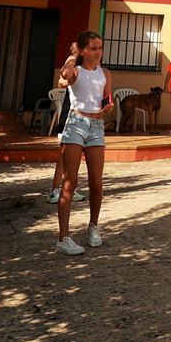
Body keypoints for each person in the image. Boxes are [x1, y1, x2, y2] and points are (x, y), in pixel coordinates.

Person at [54, 31, 113, 255]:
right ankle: (63, 237)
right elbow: (65, 73)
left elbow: (107, 96)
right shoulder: (76, 72)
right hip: (76, 124)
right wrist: (73, 55)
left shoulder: (105, 73)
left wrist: (108, 105)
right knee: (70, 182)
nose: (99, 52)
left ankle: (93, 227)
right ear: (84, 50)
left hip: (97, 127)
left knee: (97, 183)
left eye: (100, 48)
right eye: (94, 48)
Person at [47, 50, 86, 205]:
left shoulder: (88, 71)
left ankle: (70, 188)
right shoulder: (72, 67)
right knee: (63, 157)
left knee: (75, 158)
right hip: (68, 119)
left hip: (82, 121)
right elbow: (61, 82)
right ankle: (54, 191)